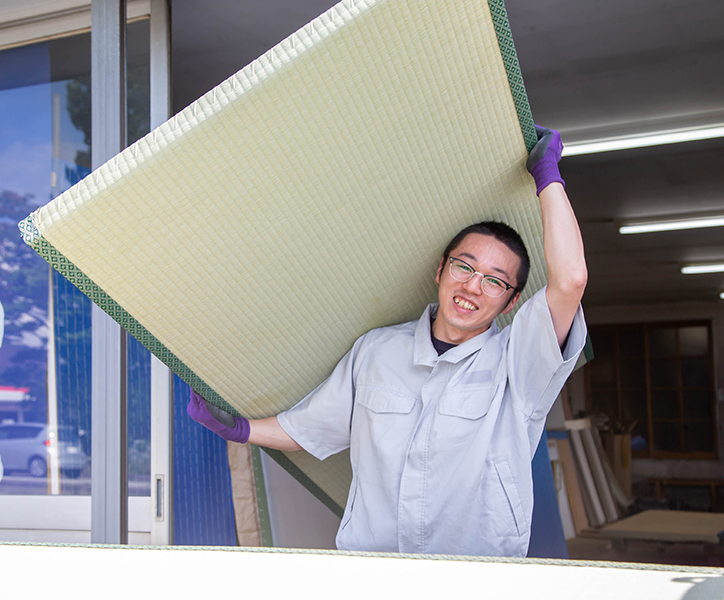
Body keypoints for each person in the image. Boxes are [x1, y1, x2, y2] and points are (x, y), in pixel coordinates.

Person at [188, 126, 588, 557]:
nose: (473, 287)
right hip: (373, 571)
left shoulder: (519, 365)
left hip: (474, 578)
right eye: (464, 267)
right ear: (440, 270)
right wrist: (240, 429)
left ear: (511, 303)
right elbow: (310, 428)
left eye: (495, 281)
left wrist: (547, 175)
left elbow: (570, 280)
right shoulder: (377, 352)